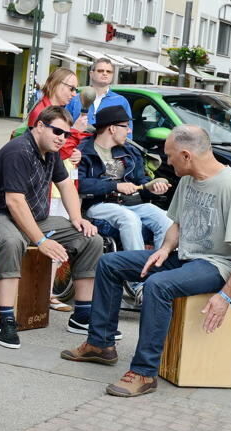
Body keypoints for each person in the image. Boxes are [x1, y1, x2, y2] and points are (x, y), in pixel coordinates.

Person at [62, 125, 231, 397]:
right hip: (183, 257)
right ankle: (101, 344)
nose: (167, 162)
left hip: (216, 265)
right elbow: (178, 224)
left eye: (170, 156)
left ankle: (144, 373)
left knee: (158, 285)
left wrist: (226, 297)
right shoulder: (189, 179)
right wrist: (165, 249)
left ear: (186, 155)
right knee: (110, 264)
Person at [0, 106, 104, 349]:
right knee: (12, 241)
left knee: (90, 238)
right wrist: (42, 241)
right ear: (40, 126)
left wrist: (77, 218)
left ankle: (82, 315)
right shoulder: (18, 151)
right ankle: (6, 320)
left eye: (65, 134)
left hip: (33, 217)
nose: (61, 138)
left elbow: (65, 185)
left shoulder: (51, 153)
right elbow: (14, 201)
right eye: (57, 131)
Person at [76, 105, 172, 305]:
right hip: (99, 204)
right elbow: (80, 183)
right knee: (129, 219)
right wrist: (115, 185)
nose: (128, 131)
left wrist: (151, 188)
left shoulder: (129, 151)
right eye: (125, 126)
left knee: (165, 219)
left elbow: (140, 182)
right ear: (112, 128)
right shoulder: (84, 151)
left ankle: (161, 275)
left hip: (131, 203)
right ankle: (139, 284)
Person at [27, 68, 88, 163]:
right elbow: (53, 153)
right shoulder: (41, 112)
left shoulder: (51, 109)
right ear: (55, 84)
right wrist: (75, 131)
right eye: (71, 88)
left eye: (75, 89)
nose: (74, 94)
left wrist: (75, 153)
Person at [83, 58, 133, 130]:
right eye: (100, 71)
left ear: (112, 75)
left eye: (109, 71)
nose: (105, 73)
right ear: (91, 74)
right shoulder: (76, 99)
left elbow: (127, 133)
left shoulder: (121, 101)